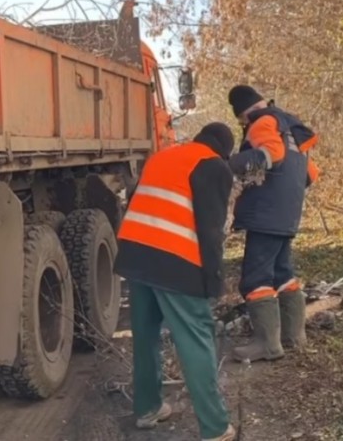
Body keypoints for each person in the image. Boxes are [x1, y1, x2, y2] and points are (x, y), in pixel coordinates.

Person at [114, 122, 238, 441]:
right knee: (196, 339)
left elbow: (137, 198)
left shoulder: (162, 156)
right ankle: (214, 427)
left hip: (136, 255)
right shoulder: (214, 167)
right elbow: (211, 232)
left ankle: (147, 409)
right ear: (224, 150)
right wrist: (213, 281)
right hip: (175, 262)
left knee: (145, 336)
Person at [227, 85, 320, 363]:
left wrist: (229, 164)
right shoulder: (291, 124)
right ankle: (294, 337)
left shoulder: (262, 123)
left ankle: (267, 344)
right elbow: (311, 174)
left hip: (265, 215)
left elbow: (272, 154)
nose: (244, 126)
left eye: (241, 121)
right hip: (288, 213)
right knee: (282, 273)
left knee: (256, 277)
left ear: (243, 114)